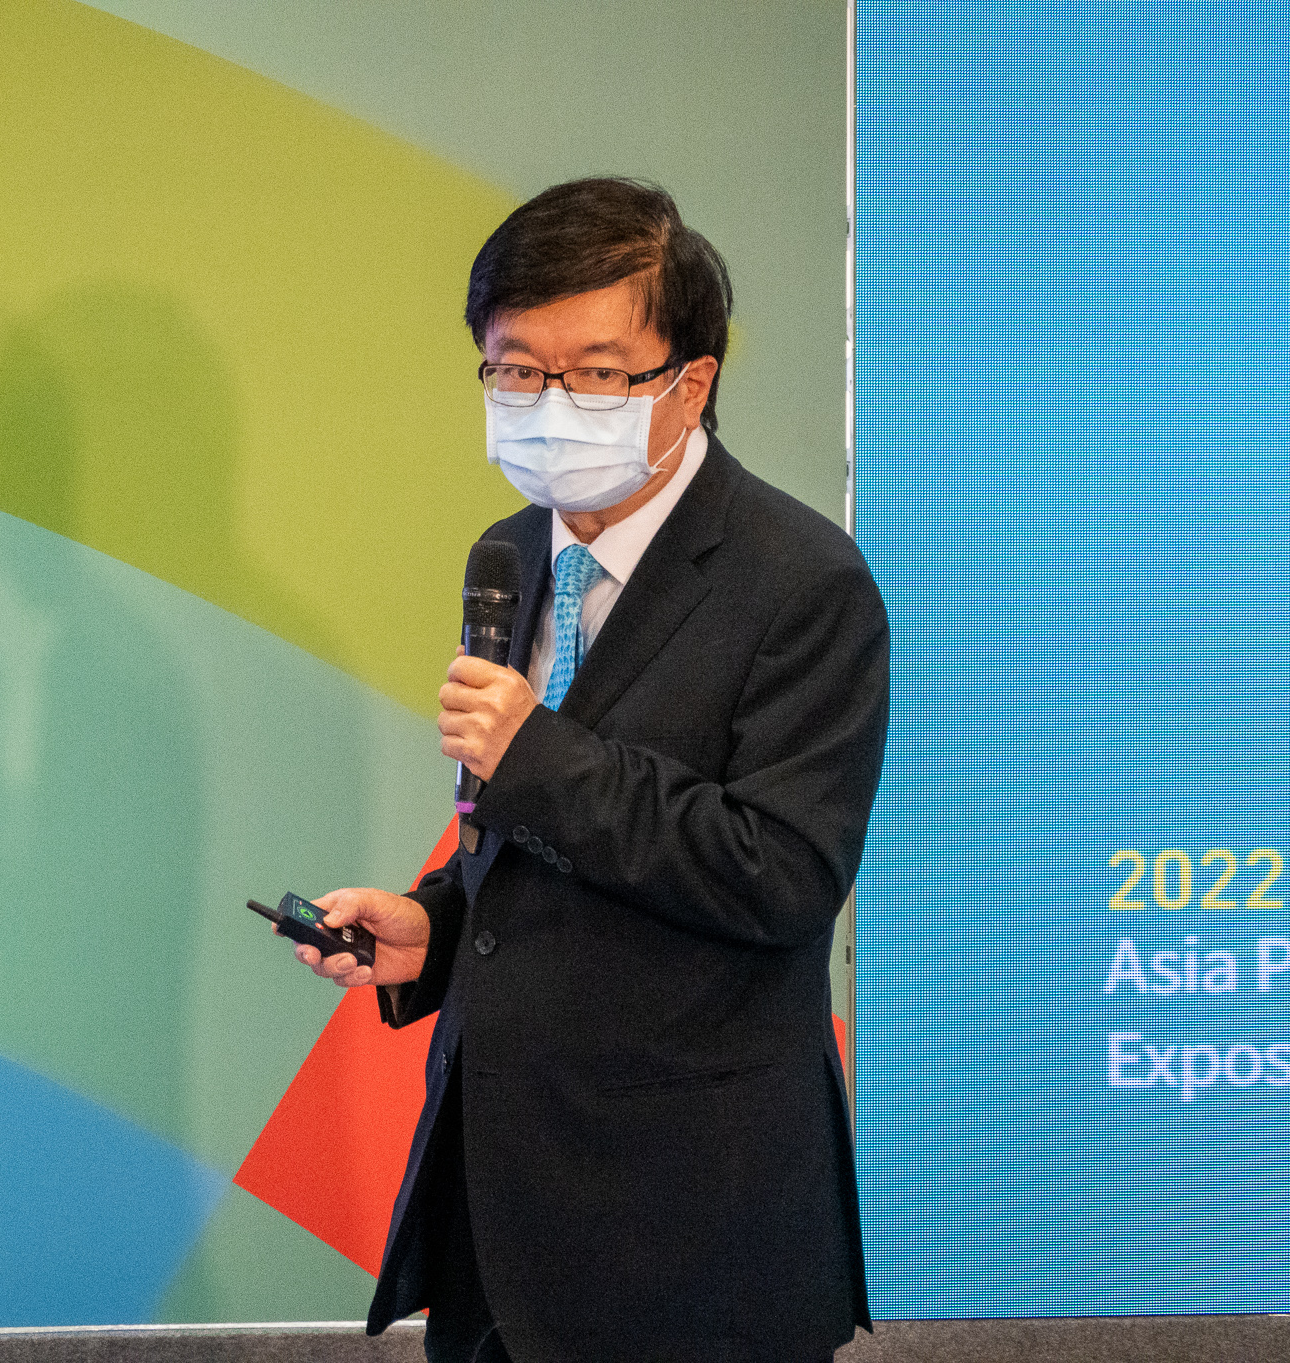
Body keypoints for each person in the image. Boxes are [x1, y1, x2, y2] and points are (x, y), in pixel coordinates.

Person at [289, 178, 889, 1363]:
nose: (548, 406)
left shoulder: (801, 583)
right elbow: (525, 837)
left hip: (691, 1229)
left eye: (597, 374)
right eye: (515, 370)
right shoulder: (512, 552)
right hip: (497, 1213)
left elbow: (780, 877)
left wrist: (541, 757)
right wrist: (432, 928)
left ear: (689, 383)